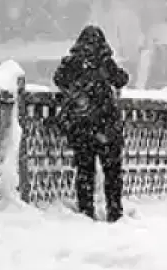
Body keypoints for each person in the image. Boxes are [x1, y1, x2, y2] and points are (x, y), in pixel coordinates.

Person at [52, 25, 130, 221]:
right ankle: (114, 211)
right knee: (112, 172)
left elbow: (59, 79)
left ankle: (86, 212)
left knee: (85, 171)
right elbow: (121, 79)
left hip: (82, 126)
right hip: (106, 125)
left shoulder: (73, 63)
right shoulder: (105, 63)